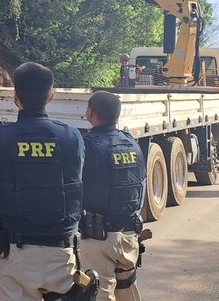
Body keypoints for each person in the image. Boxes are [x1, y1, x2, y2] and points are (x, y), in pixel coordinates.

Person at [0, 62, 86, 300]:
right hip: (62, 253)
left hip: (15, 254)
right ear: (51, 96)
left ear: (15, 96)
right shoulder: (72, 137)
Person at [80, 90, 146, 301]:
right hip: (129, 233)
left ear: (91, 112)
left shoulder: (88, 145)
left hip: (99, 237)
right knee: (127, 288)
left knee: (100, 292)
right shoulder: (132, 143)